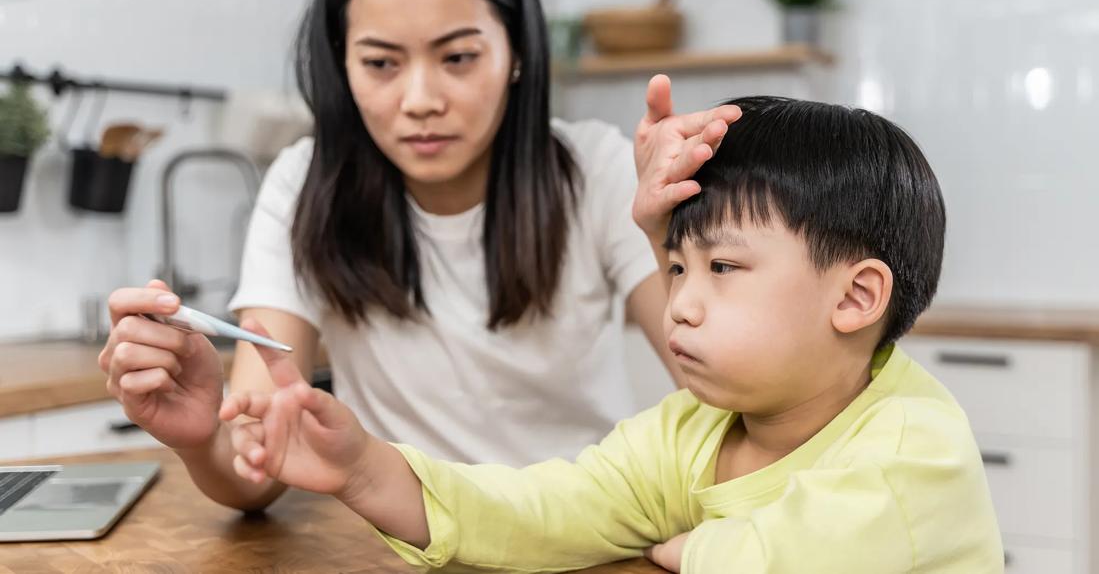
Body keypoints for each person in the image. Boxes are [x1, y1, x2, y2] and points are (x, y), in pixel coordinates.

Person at [219, 96, 1004, 573]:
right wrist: (363, 470)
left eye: (722, 268)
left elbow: (783, 562)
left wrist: (692, 548)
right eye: (675, 268)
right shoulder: (687, 430)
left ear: (856, 296)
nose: (681, 306)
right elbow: (546, 507)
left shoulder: (914, 449)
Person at [99, 0, 741, 512]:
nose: (420, 99)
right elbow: (259, 466)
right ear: (340, 63)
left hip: (587, 530)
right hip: (398, 541)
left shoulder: (597, 172)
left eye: (458, 57)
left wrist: (672, 235)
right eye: (380, 63)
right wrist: (197, 440)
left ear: (516, 51)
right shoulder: (304, 185)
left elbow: (727, 398)